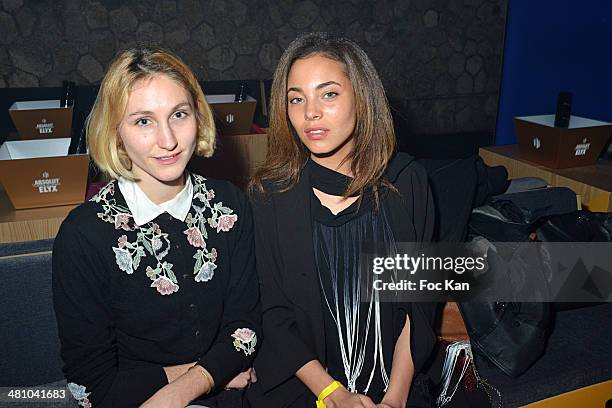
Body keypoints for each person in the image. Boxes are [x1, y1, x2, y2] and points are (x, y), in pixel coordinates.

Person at [52, 47, 260, 408]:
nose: (168, 140)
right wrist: (207, 373)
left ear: (198, 115)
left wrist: (187, 388)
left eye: (179, 114)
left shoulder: (229, 205)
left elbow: (245, 332)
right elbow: (90, 388)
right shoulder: (83, 235)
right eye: (143, 121)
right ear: (115, 132)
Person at [247, 33, 438, 408]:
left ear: (362, 98)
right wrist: (332, 394)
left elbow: (419, 309)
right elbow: (272, 313)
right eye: (296, 98)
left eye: (329, 94)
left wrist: (395, 400)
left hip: (395, 385)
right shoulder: (269, 194)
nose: (310, 113)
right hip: (303, 388)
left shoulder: (407, 181)